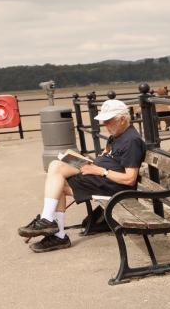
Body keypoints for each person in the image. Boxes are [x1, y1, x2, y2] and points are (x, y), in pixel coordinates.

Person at [16, 99, 145, 252]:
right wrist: (84, 162)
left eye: (109, 121)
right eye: (104, 121)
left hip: (112, 187)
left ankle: (51, 225)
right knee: (58, 166)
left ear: (123, 119)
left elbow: (130, 179)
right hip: (98, 175)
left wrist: (100, 171)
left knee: (57, 174)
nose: (105, 125)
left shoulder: (132, 141)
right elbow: (106, 157)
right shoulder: (116, 136)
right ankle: (54, 230)